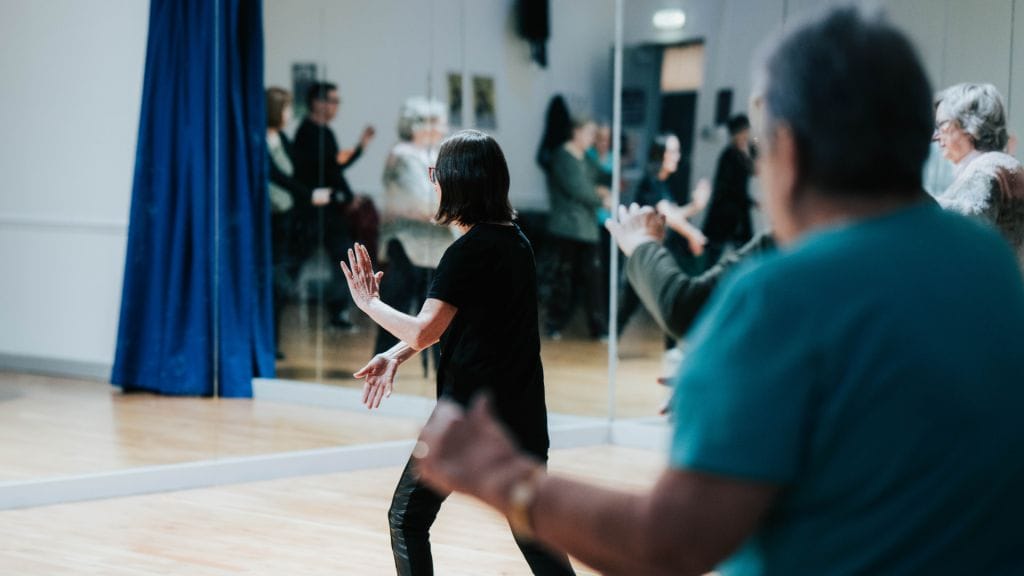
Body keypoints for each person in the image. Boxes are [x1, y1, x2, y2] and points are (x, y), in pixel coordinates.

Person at [412, 7, 1024, 576]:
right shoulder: (990, 266)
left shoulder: (780, 296)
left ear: (790, 148)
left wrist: (504, 477)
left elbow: (671, 542)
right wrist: (750, 382)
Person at [340, 130, 575, 576]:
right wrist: (396, 355)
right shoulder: (515, 243)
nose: (433, 183)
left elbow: (427, 330)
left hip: (469, 419)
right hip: (520, 414)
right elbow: (465, 326)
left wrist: (369, 303)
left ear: (459, 182)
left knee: (406, 519)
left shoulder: (467, 253)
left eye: (436, 174)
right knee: (534, 532)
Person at [373, 98, 455, 367]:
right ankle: (384, 360)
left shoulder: (430, 154)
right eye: (439, 121)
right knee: (398, 306)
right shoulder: (404, 155)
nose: (445, 127)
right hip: (408, 243)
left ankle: (435, 365)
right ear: (423, 124)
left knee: (431, 309)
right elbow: (423, 203)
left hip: (431, 245)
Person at [291, 81, 377, 329]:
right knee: (294, 264)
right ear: (317, 103)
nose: (336, 106)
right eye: (333, 100)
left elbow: (334, 169)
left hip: (326, 213)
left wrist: (360, 149)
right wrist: (348, 197)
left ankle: (338, 314)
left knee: (345, 258)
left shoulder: (325, 133)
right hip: (309, 213)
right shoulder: (307, 132)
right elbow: (329, 171)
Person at [617, 133, 709, 336]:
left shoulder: (662, 182)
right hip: (644, 251)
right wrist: (692, 233)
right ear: (661, 155)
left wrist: (695, 206)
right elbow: (669, 216)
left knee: (669, 297)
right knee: (632, 302)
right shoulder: (651, 181)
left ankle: (671, 348)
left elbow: (671, 214)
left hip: (656, 249)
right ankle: (608, 337)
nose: (677, 156)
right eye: (673, 151)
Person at [264, 87, 332, 358]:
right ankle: (268, 342)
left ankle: (274, 343)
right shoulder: (260, 141)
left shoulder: (281, 138)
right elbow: (277, 176)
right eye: (287, 109)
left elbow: (297, 173)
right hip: (270, 220)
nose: (290, 114)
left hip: (286, 219)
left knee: (281, 285)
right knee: (275, 282)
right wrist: (309, 195)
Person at [933, 82, 1024, 269]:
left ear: (969, 124)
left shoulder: (987, 170)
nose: (936, 136)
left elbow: (962, 229)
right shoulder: (1002, 166)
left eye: (942, 125)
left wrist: (907, 200)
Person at [543, 115, 609, 339]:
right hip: (566, 230)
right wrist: (601, 197)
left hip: (588, 230)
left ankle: (598, 329)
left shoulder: (586, 158)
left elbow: (603, 176)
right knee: (563, 278)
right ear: (577, 132)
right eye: (590, 133)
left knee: (593, 280)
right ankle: (555, 324)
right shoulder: (563, 156)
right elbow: (578, 188)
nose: (593, 138)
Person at [702, 113, 756, 268]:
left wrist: (754, 144)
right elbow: (731, 187)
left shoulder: (740, 153)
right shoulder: (729, 156)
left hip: (736, 214)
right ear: (739, 132)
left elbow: (754, 168)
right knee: (714, 258)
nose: (748, 135)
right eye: (746, 131)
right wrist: (751, 201)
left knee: (744, 253)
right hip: (725, 214)